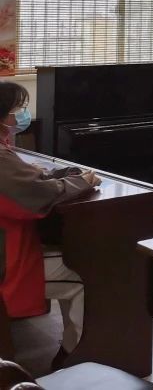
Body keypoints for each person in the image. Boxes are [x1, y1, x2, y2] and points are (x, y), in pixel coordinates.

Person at [0, 81, 100, 369]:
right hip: (6, 261)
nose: (20, 116)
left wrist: (62, 174)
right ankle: (73, 357)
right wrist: (82, 181)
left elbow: (27, 179)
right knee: (85, 276)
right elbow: (37, 196)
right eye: (16, 110)